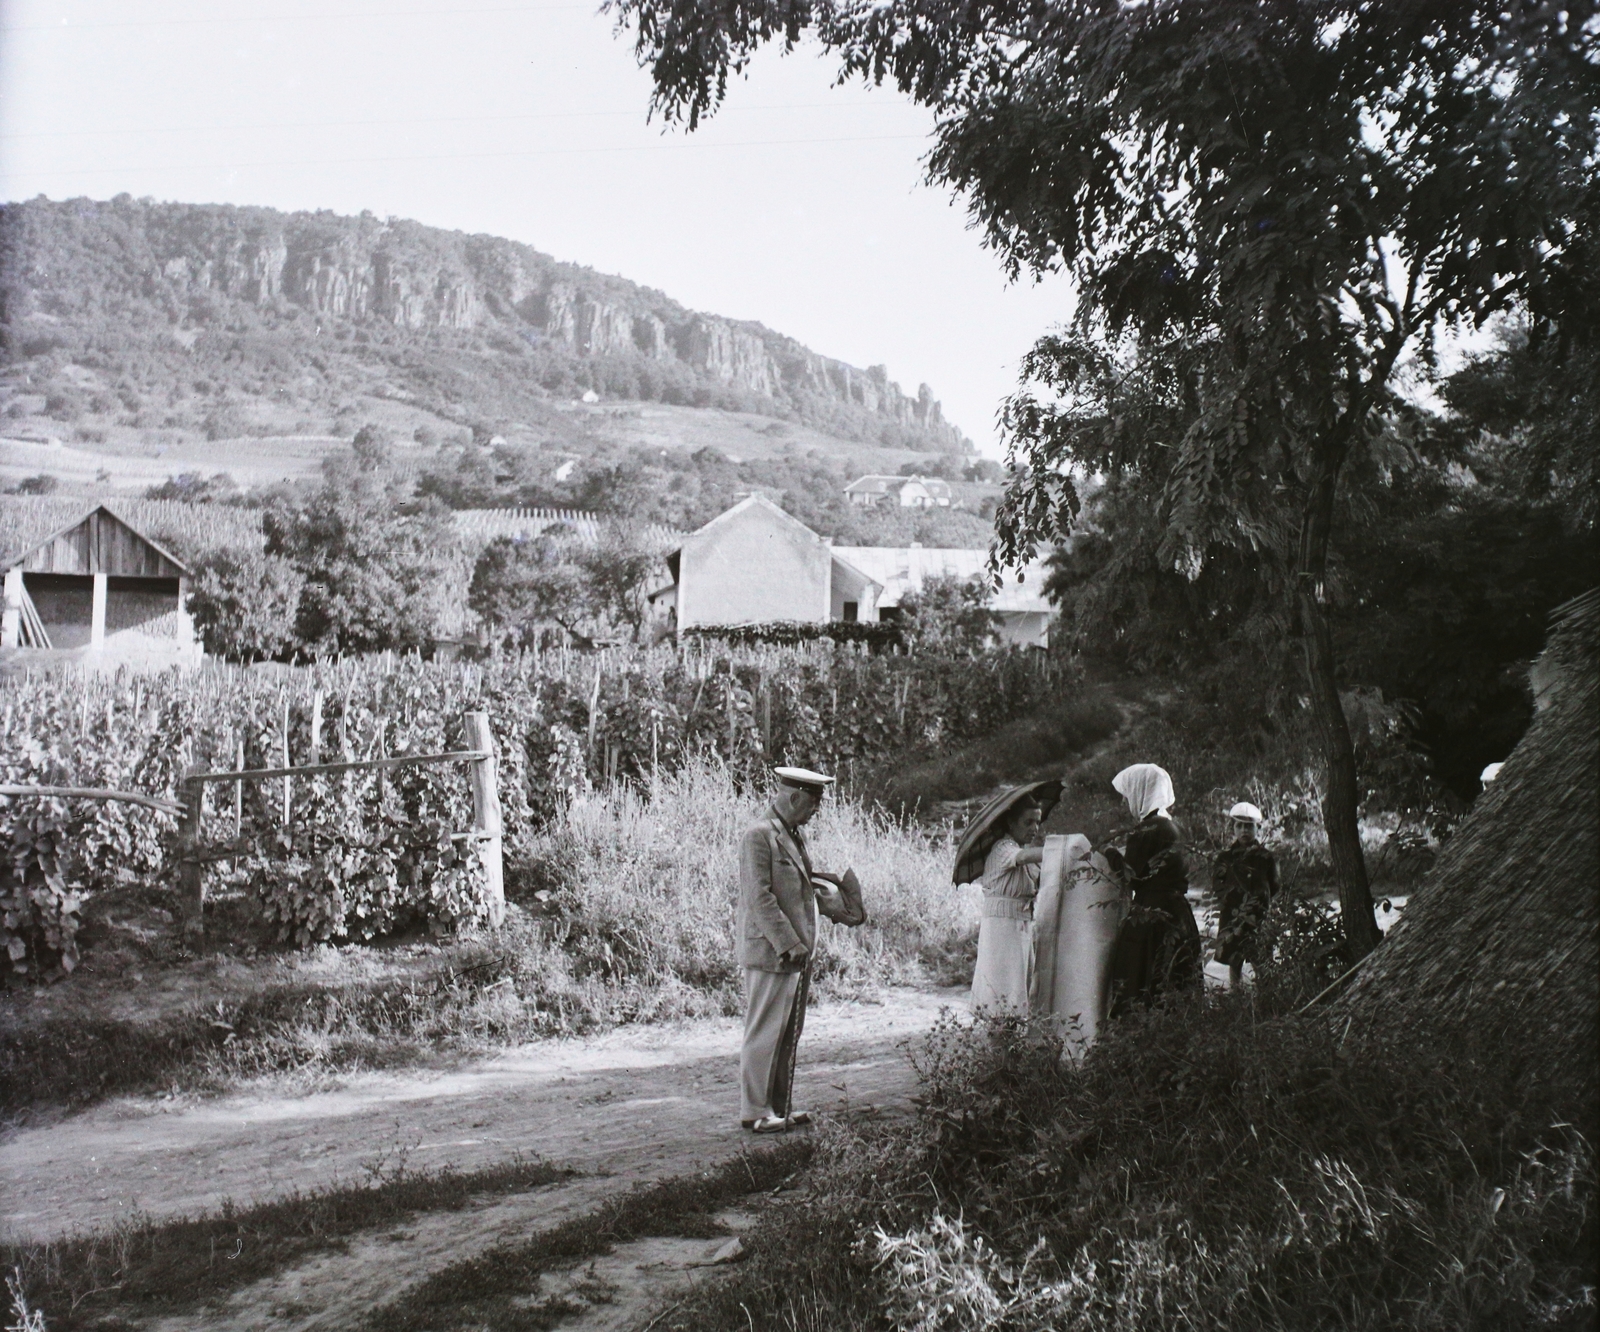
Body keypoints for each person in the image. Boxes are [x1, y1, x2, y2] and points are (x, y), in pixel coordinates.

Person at [737, 765, 865, 1134]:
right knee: (764, 1031)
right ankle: (755, 1111)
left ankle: (779, 1106)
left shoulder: (791, 835)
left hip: (796, 953)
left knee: (788, 1031)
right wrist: (789, 943)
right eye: (812, 804)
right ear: (794, 798)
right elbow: (759, 899)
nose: (814, 812)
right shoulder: (758, 836)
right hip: (772, 952)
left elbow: (795, 889)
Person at [1105, 763, 1204, 1013]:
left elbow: (1132, 876)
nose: (1127, 802)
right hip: (1179, 913)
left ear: (1141, 792)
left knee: (1141, 979)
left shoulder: (1147, 829)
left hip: (1152, 915)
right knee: (1174, 981)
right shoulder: (1174, 827)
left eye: (1129, 795)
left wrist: (1111, 855)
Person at [970, 798, 1044, 1013]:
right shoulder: (1003, 848)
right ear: (1011, 823)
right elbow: (1023, 857)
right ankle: (999, 1043)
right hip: (1002, 929)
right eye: (1028, 822)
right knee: (1001, 993)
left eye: (1037, 822)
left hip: (1020, 926)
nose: (1034, 828)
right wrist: (1062, 849)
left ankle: (1010, 1043)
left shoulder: (1024, 853)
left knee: (1017, 993)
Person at [1211, 801, 1279, 989]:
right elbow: (1217, 884)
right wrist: (1228, 901)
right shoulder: (1225, 858)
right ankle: (1236, 992)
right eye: (1239, 825)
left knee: (1260, 956)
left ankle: (1265, 994)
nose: (1244, 831)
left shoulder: (1265, 857)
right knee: (1234, 956)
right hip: (1233, 915)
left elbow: (1274, 885)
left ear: (1257, 828)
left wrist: (1260, 901)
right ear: (1233, 828)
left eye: (1249, 826)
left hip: (1258, 915)